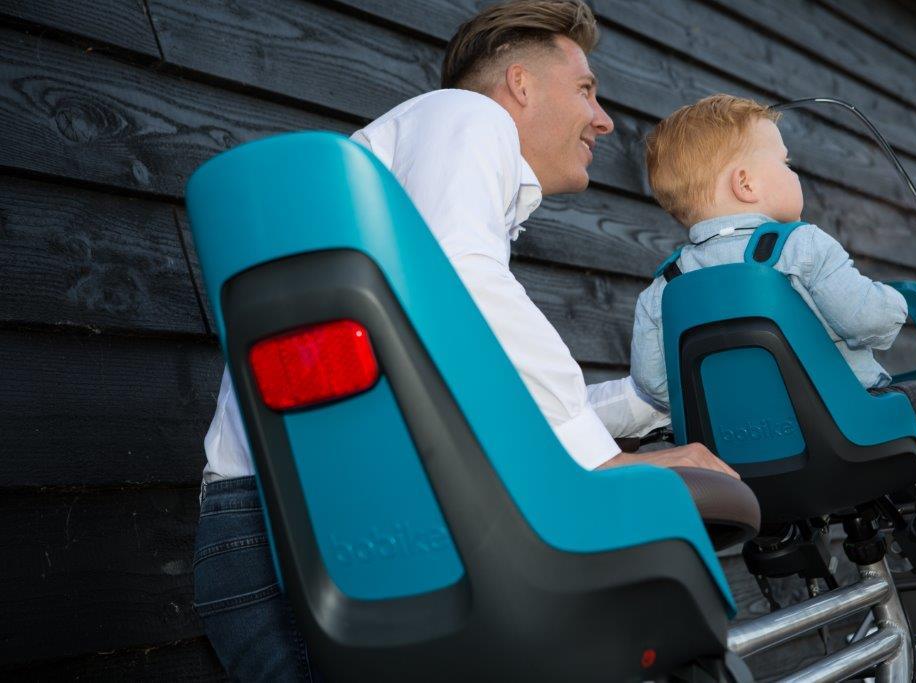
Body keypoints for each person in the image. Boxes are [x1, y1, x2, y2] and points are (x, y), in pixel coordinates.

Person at [193, 3, 740, 680]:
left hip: (302, 530)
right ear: (520, 84)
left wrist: (643, 404)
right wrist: (601, 464)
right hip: (312, 535)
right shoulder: (467, 115)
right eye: (586, 90)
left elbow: (484, 387)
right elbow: (465, 276)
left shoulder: (417, 203)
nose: (603, 119)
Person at [632, 93, 916, 541]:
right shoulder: (801, 246)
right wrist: (894, 301)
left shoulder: (664, 287)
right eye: (786, 162)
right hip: (846, 435)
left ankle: (776, 538)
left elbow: (655, 384)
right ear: (746, 184)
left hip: (739, 463)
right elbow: (867, 321)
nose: (794, 173)